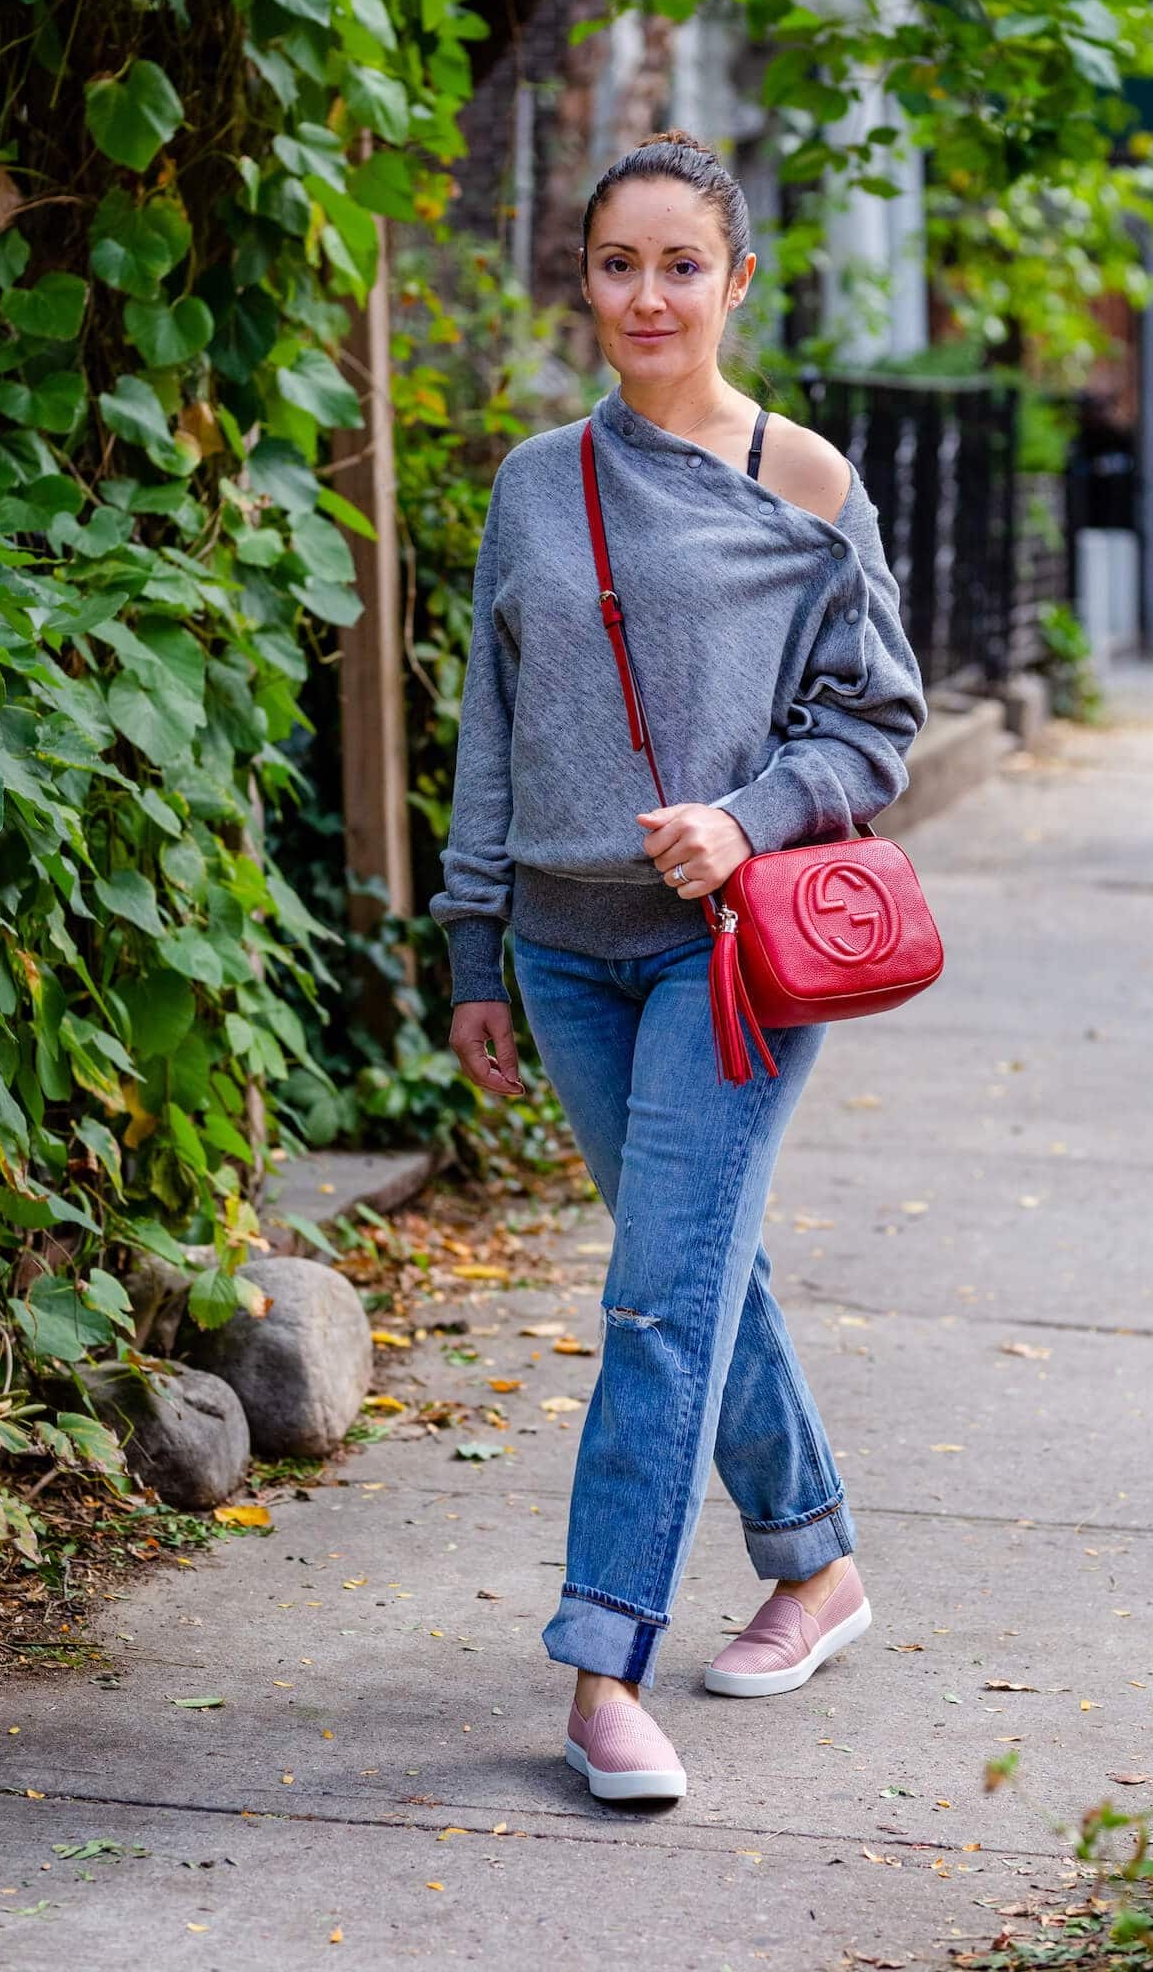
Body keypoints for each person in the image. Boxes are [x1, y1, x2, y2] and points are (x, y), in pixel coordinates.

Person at [428, 130, 928, 1806]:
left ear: (737, 280)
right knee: (704, 1272)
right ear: (587, 281)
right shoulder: (534, 480)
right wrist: (471, 944)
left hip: (730, 964)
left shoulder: (808, 486)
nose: (649, 296)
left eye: (681, 265)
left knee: (656, 1300)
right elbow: (488, 723)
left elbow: (878, 719)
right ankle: (817, 1561)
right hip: (562, 956)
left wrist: (750, 814)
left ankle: (599, 1663)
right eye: (619, 265)